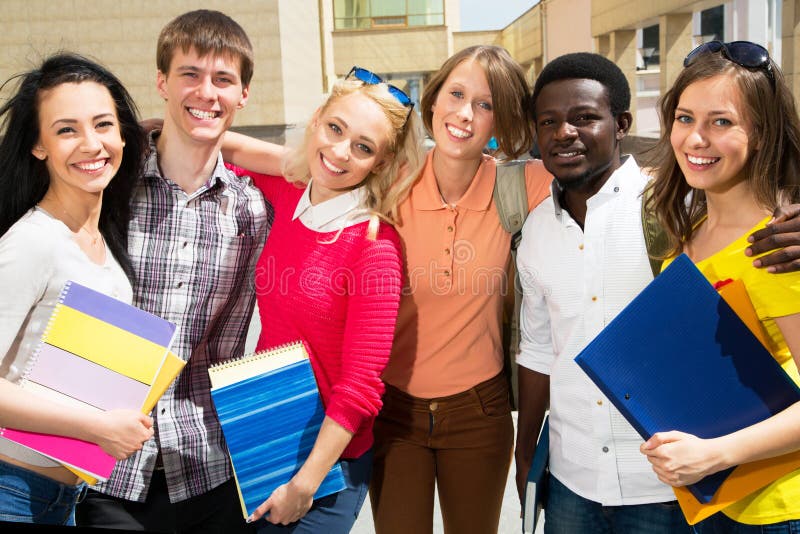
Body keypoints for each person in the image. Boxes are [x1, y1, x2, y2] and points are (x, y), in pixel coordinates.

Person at [220, 45, 554, 534]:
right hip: (394, 409)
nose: (465, 114)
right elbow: (291, 162)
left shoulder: (519, 185)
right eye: (457, 94)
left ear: (500, 120)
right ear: (434, 101)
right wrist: (183, 133)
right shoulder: (393, 175)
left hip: (478, 408)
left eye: (485, 105)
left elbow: (610, 183)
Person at [76, 10, 269, 533]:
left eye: (223, 79)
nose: (206, 92)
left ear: (243, 94)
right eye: (190, 74)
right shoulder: (107, 187)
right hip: (104, 470)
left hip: (206, 467)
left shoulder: (253, 211)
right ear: (162, 81)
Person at [225, 65, 425, 533]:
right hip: (262, 433)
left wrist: (306, 483)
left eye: (363, 147)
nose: (339, 152)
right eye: (335, 128)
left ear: (381, 163)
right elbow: (221, 149)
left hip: (326, 467)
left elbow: (360, 387)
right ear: (317, 119)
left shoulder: (375, 246)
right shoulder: (288, 194)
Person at [515, 52, 693, 534]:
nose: (562, 133)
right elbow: (537, 350)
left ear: (622, 124)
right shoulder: (535, 232)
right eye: (548, 121)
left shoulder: (678, 208)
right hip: (571, 482)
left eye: (584, 118)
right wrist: (524, 446)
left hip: (664, 484)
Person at [640, 40, 800, 533]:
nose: (695, 139)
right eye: (685, 118)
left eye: (721, 122)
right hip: (718, 501)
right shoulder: (686, 240)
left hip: (777, 509)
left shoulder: (778, 249)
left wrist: (712, 453)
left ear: (762, 133)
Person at [0, 53, 153, 525]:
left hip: (59, 499)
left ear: (123, 134)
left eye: (103, 124)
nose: (91, 144)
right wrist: (98, 427)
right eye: (66, 130)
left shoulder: (100, 241)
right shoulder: (31, 243)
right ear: (38, 146)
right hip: (13, 492)